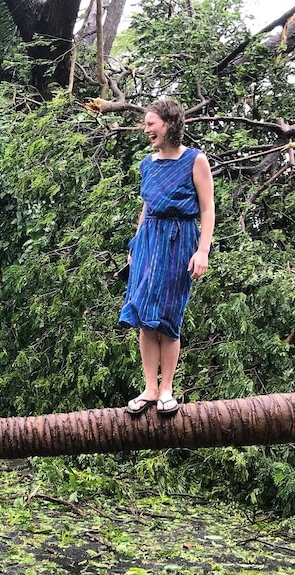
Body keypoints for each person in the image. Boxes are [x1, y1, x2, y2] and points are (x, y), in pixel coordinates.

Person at [120, 99, 215, 417]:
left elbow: (207, 209)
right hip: (148, 242)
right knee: (144, 317)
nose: (145, 129)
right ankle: (149, 388)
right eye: (145, 124)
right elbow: (146, 207)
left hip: (179, 242)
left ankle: (167, 390)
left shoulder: (195, 160)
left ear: (170, 124)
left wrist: (202, 250)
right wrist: (135, 246)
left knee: (168, 318)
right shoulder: (147, 163)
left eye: (151, 123)